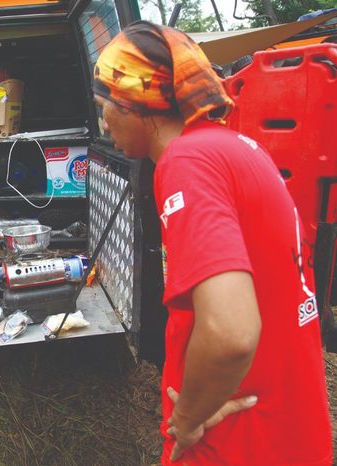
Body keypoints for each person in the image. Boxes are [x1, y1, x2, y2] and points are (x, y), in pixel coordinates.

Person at [92, 21, 332, 465]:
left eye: (103, 105)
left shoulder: (186, 163)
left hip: (238, 438)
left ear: (134, 102)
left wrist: (186, 417)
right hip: (283, 423)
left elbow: (230, 333)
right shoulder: (236, 146)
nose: (103, 123)